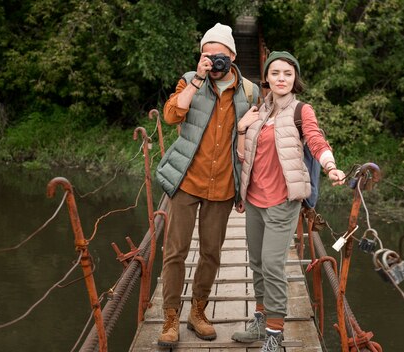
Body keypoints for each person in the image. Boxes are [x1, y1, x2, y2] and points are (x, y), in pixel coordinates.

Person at [231, 51, 346, 351]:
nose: (281, 78)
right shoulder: (259, 110)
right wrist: (243, 128)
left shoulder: (301, 111)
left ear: (295, 79)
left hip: (283, 200)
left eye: (288, 74)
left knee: (271, 263)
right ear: (266, 78)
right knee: (256, 261)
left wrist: (331, 166)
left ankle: (274, 332)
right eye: (276, 73)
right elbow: (244, 157)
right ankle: (259, 320)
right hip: (254, 199)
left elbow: (316, 139)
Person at [155, 22, 260, 347]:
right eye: (206, 53)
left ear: (232, 55)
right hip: (187, 181)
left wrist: (247, 187)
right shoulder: (190, 80)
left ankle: (198, 312)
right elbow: (171, 116)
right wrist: (197, 79)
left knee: (212, 253)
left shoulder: (250, 91)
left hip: (224, 185)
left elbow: (255, 142)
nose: (212, 59)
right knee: (176, 252)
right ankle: (171, 317)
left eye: (218, 54)